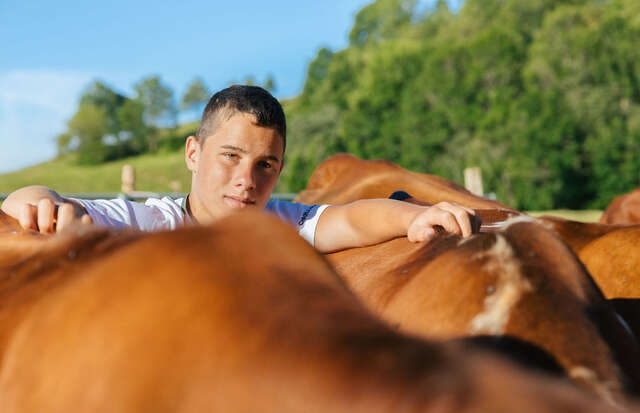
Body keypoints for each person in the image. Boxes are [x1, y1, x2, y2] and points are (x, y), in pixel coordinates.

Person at [1, 85, 480, 252]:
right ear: (193, 153)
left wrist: (413, 216)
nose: (247, 181)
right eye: (229, 156)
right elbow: (28, 200)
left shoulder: (281, 223)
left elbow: (350, 217)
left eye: (265, 165)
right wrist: (37, 199)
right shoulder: (150, 222)